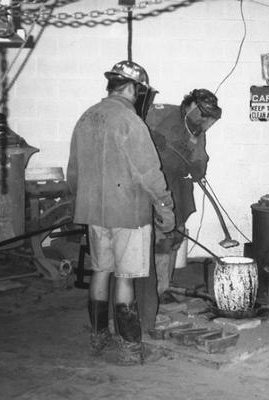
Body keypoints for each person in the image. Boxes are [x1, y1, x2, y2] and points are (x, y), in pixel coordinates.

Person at [66, 60, 175, 365]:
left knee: (101, 271)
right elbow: (149, 173)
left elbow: (73, 172)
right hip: (128, 214)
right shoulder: (131, 121)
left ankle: (98, 336)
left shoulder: (86, 118)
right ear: (132, 88)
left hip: (94, 213)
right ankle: (129, 347)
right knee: (125, 278)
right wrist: (165, 208)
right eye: (140, 91)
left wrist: (85, 201)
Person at [144, 89, 222, 303]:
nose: (205, 120)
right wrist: (150, 137)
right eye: (203, 114)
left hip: (178, 185)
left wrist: (199, 166)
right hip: (154, 184)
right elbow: (133, 128)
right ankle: (156, 291)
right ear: (190, 106)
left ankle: (165, 286)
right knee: (161, 238)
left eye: (209, 117)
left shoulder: (197, 128)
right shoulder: (160, 113)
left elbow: (199, 158)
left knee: (175, 236)